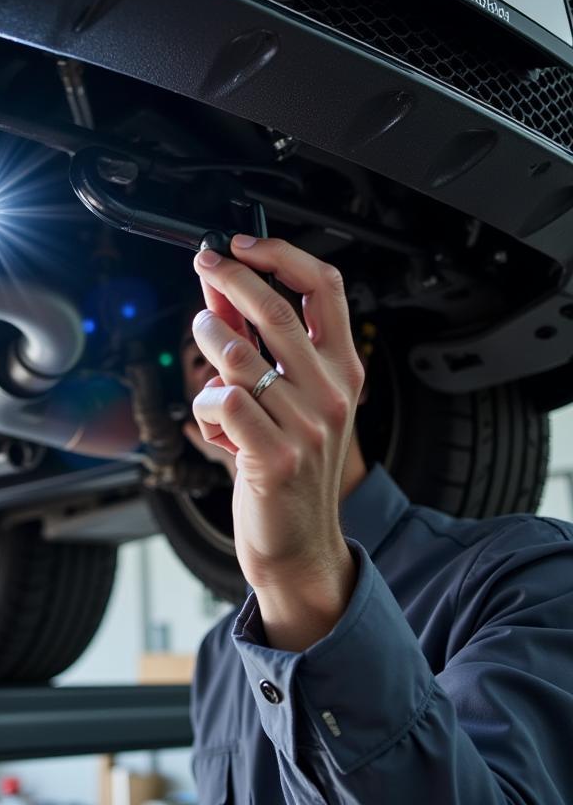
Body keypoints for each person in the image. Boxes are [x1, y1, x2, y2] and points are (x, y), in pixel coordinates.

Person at [183, 233, 573, 805]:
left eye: (243, 336)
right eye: (199, 353)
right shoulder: (219, 654)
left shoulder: (530, 578)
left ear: (349, 369)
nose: (216, 364)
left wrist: (302, 576)